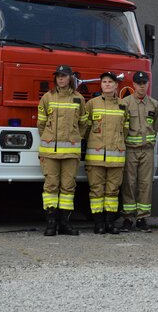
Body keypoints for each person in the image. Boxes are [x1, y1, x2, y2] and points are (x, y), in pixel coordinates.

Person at [37, 65, 87, 236]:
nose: (60, 79)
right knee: (51, 186)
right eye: (58, 76)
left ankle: (65, 224)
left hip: (70, 152)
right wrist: (48, 138)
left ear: (70, 78)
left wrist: (74, 139)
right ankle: (51, 224)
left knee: (68, 187)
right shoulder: (47, 97)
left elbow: (83, 124)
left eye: (64, 76)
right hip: (50, 152)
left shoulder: (79, 99)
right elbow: (41, 124)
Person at [84, 72, 129, 234]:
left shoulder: (123, 105)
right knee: (96, 191)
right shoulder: (91, 104)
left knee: (112, 191)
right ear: (100, 85)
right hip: (95, 158)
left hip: (116, 158)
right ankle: (98, 223)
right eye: (104, 82)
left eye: (111, 82)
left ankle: (110, 223)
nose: (108, 84)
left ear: (116, 85)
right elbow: (85, 128)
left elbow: (126, 129)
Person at [120, 71, 158, 233]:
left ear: (147, 84)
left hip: (147, 151)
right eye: (138, 83)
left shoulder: (154, 104)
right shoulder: (125, 103)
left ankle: (142, 218)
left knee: (145, 184)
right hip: (130, 150)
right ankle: (128, 218)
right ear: (134, 85)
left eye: (144, 83)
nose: (142, 86)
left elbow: (155, 125)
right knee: (129, 183)